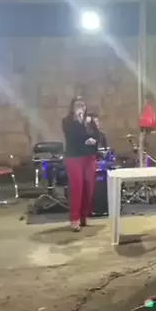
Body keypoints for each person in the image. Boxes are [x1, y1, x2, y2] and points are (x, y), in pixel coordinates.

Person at [62, 96, 99, 231]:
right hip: (74, 158)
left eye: (83, 105)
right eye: (78, 105)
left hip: (89, 157)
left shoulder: (90, 120)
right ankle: (74, 219)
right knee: (77, 187)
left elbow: (98, 135)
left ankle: (84, 216)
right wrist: (79, 122)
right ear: (72, 107)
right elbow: (72, 136)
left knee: (89, 187)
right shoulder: (67, 121)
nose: (81, 107)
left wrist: (94, 139)